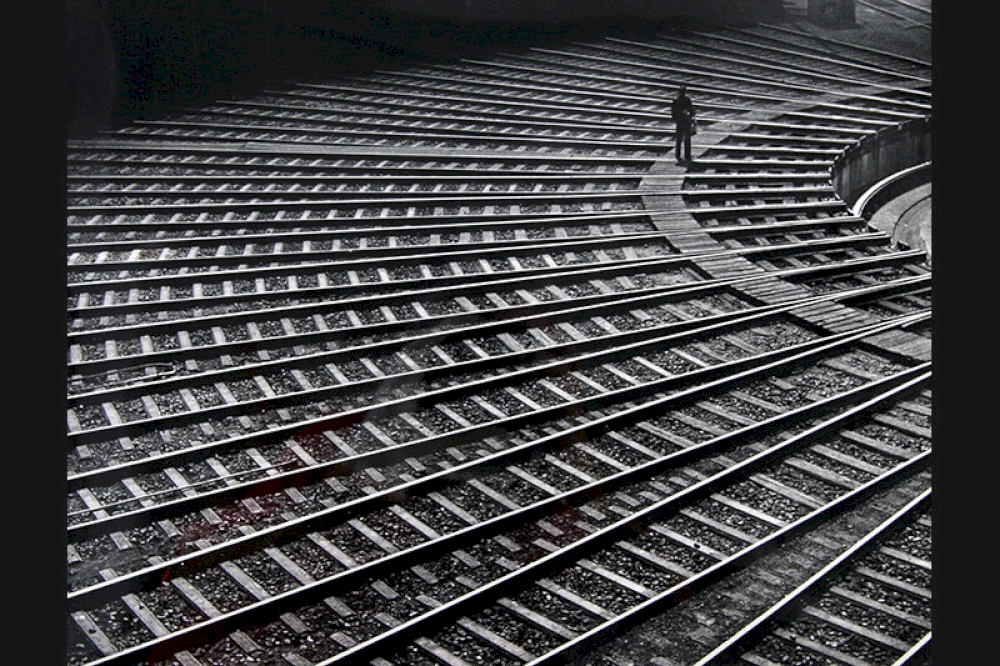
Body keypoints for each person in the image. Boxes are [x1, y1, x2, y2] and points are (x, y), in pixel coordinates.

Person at [671, 85, 696, 165]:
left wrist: (676, 120)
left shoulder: (675, 100)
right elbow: (692, 111)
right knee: (687, 139)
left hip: (679, 122)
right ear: (685, 92)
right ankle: (687, 156)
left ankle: (677, 155)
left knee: (678, 139)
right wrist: (690, 116)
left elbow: (673, 113)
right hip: (686, 122)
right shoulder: (687, 100)